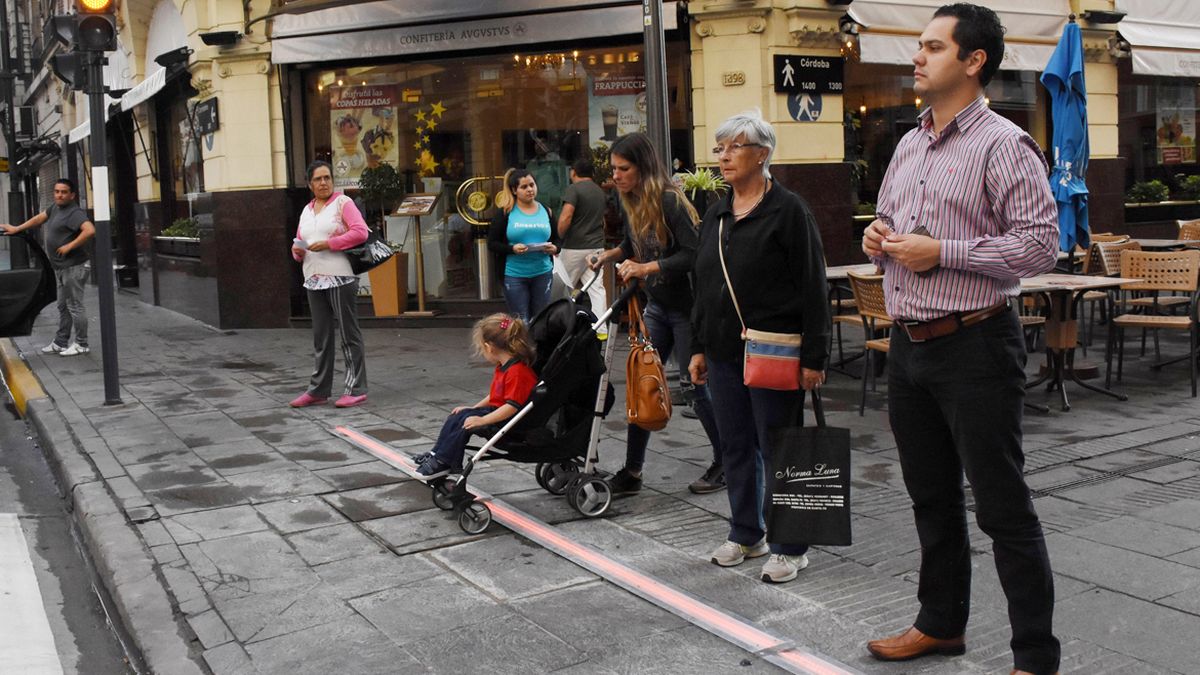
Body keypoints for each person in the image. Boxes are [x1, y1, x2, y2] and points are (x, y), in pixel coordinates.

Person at [859, 5, 1060, 674]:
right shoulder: (910, 141)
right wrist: (879, 237)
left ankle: (1035, 656)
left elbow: (1038, 246)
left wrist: (943, 251)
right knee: (931, 498)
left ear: (973, 61)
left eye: (932, 47)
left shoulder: (1004, 143)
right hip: (910, 345)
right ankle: (941, 623)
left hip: (976, 343)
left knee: (1002, 507)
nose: (917, 57)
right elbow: (890, 221)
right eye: (918, 46)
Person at [688, 111, 830, 584]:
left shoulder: (790, 211)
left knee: (781, 446)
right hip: (725, 352)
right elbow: (705, 283)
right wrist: (699, 347)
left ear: (762, 155)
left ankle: (792, 547)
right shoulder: (718, 212)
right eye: (720, 148)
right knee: (735, 445)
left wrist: (815, 357)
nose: (723, 157)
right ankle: (747, 533)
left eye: (734, 147)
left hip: (775, 351)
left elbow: (813, 287)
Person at [589, 132, 726, 497]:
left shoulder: (669, 201)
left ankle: (726, 460)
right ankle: (633, 471)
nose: (616, 175)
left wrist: (646, 268)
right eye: (614, 168)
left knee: (696, 388)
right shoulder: (629, 199)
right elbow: (635, 242)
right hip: (657, 306)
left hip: (686, 309)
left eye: (623, 168)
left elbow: (695, 255)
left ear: (643, 166)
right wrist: (612, 255)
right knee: (641, 382)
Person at [289, 160, 370, 409]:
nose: (323, 182)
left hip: (339, 276)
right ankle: (318, 390)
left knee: (348, 333)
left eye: (327, 177)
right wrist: (297, 252)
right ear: (309, 184)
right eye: (318, 179)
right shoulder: (307, 210)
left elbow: (361, 232)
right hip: (313, 278)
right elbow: (301, 241)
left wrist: (329, 244)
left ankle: (356, 388)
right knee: (321, 337)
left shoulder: (343, 203)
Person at [415, 313, 537, 478]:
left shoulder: (517, 372)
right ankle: (437, 454)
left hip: (508, 419)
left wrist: (483, 420)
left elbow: (512, 406)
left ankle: (445, 461)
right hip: (497, 411)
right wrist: (473, 408)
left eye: (481, 349)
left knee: (464, 423)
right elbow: (495, 395)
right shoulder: (505, 366)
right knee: (457, 416)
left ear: (489, 347)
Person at [1, 178, 95, 356]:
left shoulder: (74, 212)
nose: (59, 195)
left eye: (64, 192)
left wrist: (69, 246)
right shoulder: (55, 208)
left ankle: (82, 343)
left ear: (72, 195)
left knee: (74, 305)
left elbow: (89, 230)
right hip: (60, 268)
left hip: (74, 267)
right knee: (63, 306)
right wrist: (17, 228)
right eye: (57, 191)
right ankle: (61, 342)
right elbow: (39, 218)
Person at [487, 169, 559, 321]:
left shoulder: (546, 211)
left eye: (532, 185)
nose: (530, 190)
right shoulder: (505, 213)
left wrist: (555, 248)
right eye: (524, 187)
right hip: (514, 275)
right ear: (514, 190)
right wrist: (511, 249)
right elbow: (492, 243)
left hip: (543, 272)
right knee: (521, 320)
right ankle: (522, 345)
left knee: (540, 319)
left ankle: (538, 345)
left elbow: (557, 239)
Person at [557, 158, 608, 315]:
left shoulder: (574, 189)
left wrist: (559, 236)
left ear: (573, 172)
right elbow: (603, 220)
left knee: (563, 287)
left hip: (574, 246)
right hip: (596, 246)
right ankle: (601, 329)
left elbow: (566, 216)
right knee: (596, 288)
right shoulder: (600, 191)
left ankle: (561, 323)